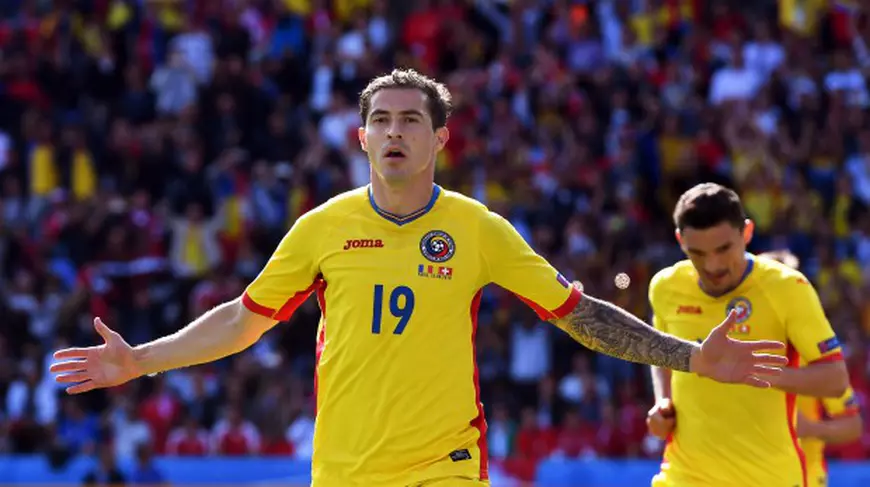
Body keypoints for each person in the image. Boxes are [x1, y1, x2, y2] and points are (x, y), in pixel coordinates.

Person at [51, 69, 788, 487]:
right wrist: (142, 357)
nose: (395, 131)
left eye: (411, 119)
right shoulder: (321, 228)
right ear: (361, 135)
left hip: (446, 464)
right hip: (343, 469)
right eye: (382, 119)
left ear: (440, 137)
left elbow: (579, 312)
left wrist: (689, 356)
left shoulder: (476, 228)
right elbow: (244, 318)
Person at [645, 183, 851, 487]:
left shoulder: (788, 288)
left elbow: (835, 380)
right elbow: (661, 353)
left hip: (769, 479)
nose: (712, 265)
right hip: (684, 476)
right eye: (697, 253)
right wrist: (662, 403)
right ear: (680, 240)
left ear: (747, 233)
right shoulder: (665, 287)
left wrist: (760, 373)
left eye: (723, 249)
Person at [758, 250, 863, 487]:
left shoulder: (816, 356)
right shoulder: (736, 347)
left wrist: (810, 428)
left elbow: (853, 426)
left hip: (803, 478)